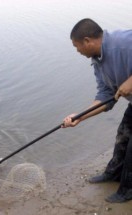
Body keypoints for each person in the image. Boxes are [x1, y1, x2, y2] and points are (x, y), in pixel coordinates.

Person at [62, 18, 132, 203]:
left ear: (87, 40)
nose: (77, 51)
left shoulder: (123, 41)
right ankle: (114, 174)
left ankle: (128, 190)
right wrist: (79, 117)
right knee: (123, 137)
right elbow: (105, 97)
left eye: (77, 46)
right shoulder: (98, 62)